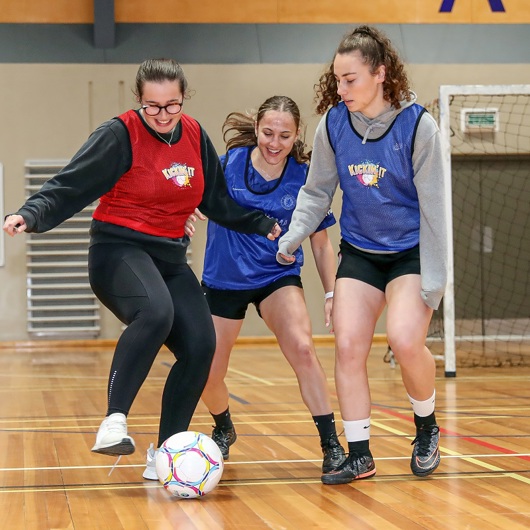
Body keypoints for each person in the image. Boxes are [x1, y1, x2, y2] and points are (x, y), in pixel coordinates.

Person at [3, 58, 280, 463]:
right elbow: (70, 184)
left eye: (172, 105)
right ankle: (114, 421)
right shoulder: (120, 135)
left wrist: (261, 223)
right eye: (153, 106)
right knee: (156, 312)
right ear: (139, 100)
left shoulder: (195, 136)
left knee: (202, 345)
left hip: (168, 256)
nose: (163, 115)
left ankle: (166, 454)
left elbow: (216, 201)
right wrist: (30, 213)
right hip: (118, 251)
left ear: (183, 99)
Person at [277, 26, 448, 484]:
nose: (341, 88)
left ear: (380, 74)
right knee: (349, 344)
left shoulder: (418, 126)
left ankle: (427, 425)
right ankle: (359, 454)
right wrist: (293, 235)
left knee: (405, 340)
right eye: (337, 79)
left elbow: (436, 211)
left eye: (350, 79)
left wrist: (434, 282)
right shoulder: (334, 124)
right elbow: (316, 193)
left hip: (410, 252)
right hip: (361, 252)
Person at [144, 96, 346, 481]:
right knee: (207, 371)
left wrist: (332, 293)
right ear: (256, 128)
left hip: (276, 276)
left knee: (303, 348)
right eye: (268, 132)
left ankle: (330, 444)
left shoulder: (305, 176)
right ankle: (223, 426)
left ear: (297, 134)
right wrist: (187, 213)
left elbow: (320, 243)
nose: (275, 142)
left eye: (285, 136)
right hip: (224, 279)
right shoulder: (229, 164)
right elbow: (197, 200)